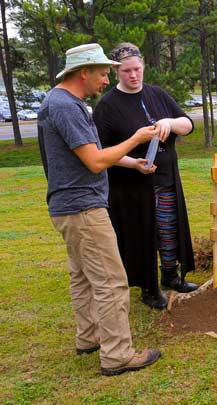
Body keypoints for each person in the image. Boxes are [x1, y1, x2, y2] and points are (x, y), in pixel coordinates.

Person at [38, 43, 161, 376]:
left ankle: (89, 337)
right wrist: (136, 139)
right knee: (110, 281)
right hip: (83, 209)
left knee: (82, 278)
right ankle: (118, 355)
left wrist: (128, 161)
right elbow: (94, 162)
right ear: (84, 72)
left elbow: (88, 152)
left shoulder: (61, 102)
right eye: (104, 72)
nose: (108, 79)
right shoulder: (65, 106)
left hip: (68, 207)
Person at [93, 43, 197, 310]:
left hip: (166, 178)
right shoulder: (107, 106)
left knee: (168, 227)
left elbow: (188, 125)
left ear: (143, 67)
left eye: (137, 69)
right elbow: (101, 151)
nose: (133, 75)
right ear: (117, 71)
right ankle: (148, 288)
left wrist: (169, 123)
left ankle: (170, 276)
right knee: (143, 235)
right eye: (127, 71)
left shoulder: (157, 94)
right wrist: (132, 163)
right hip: (131, 185)